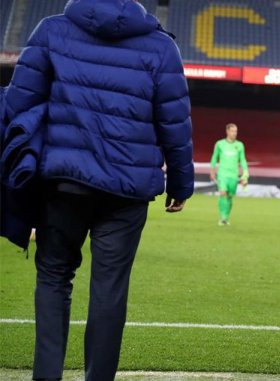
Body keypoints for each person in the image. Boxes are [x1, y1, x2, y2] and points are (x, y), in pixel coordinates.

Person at [2, 0, 193, 379]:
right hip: (127, 189)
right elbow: (175, 121)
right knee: (110, 288)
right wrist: (181, 184)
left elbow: (20, 104)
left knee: (54, 276)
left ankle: (46, 375)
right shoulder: (160, 46)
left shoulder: (51, 31)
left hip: (63, 183)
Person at [210, 123, 249, 225]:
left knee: (230, 197)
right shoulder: (219, 144)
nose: (234, 133)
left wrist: (245, 171)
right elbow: (214, 158)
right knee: (223, 193)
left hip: (233, 175)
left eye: (236, 131)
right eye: (232, 131)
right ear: (227, 131)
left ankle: (226, 218)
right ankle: (222, 217)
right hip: (222, 174)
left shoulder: (240, 145)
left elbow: (243, 160)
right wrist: (212, 171)